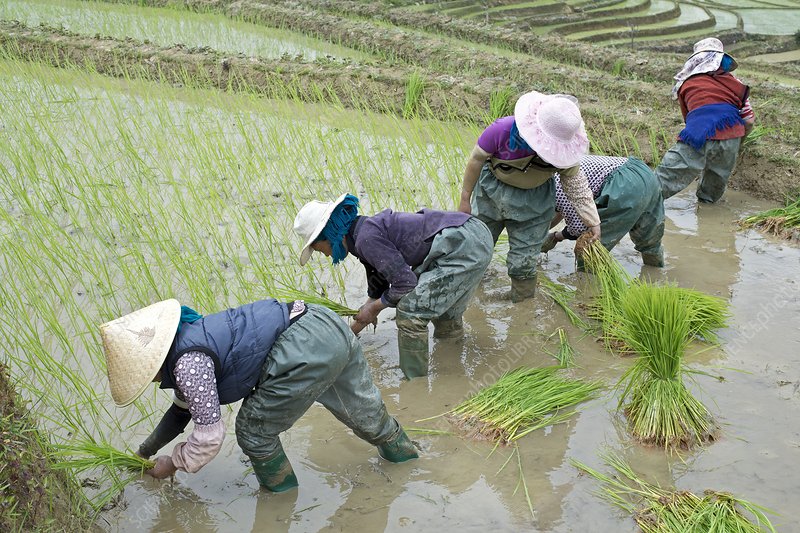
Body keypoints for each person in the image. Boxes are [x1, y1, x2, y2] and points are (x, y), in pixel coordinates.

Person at [100, 297, 417, 493]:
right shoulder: (190, 340)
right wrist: (143, 453)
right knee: (364, 411)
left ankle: (280, 497)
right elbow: (180, 413)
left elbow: (210, 437)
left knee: (252, 430)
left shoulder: (187, 366)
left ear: (152, 364)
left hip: (301, 349)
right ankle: (409, 463)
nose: (151, 381)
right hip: (322, 324)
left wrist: (174, 463)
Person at [293, 194, 493, 379]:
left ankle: (415, 383)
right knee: (440, 308)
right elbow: (378, 288)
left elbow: (405, 284)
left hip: (462, 244)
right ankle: (451, 358)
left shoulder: (366, 239)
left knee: (411, 311)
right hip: (470, 237)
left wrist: (374, 307)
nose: (324, 255)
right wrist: (349, 333)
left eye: (318, 248)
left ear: (329, 234)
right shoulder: (362, 234)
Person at [458, 90, 601, 302]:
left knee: (523, 262)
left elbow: (576, 186)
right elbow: (476, 160)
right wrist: (464, 198)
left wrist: (593, 221)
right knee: (476, 246)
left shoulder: (565, 152)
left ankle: (521, 305)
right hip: (491, 193)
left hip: (535, 203)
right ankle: (469, 292)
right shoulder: (503, 130)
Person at [656, 37, 755, 203]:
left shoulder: (686, 83)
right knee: (711, 192)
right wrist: (738, 142)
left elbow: (690, 118)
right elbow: (749, 120)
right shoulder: (736, 83)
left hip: (698, 133)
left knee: (664, 180)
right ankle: (706, 211)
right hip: (731, 136)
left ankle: (638, 205)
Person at [541, 155, 665, 267]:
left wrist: (556, 237)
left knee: (589, 248)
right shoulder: (564, 163)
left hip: (623, 185)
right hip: (644, 173)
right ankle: (656, 276)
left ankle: (587, 288)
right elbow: (559, 214)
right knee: (649, 241)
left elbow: (581, 227)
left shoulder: (558, 186)